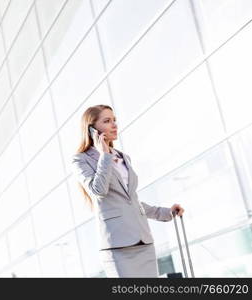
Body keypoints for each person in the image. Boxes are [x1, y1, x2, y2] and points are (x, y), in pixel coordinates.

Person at [70, 104, 185, 278]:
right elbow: (98, 190)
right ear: (92, 129)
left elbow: (131, 201)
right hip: (118, 248)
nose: (114, 125)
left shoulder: (123, 157)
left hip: (144, 243)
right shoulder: (81, 159)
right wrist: (104, 155)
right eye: (107, 121)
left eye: (114, 120)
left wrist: (166, 212)